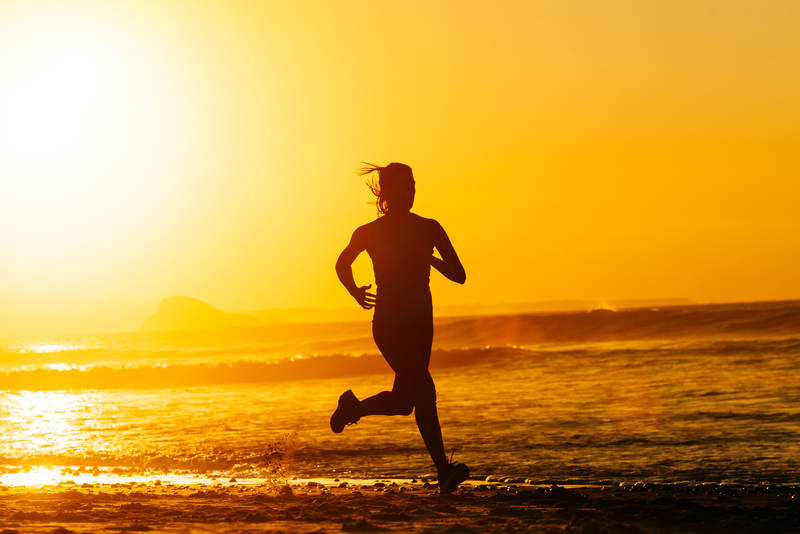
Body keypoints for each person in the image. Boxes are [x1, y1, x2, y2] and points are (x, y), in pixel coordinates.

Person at [332, 162, 470, 494]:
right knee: (425, 390)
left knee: (403, 402)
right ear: (385, 192)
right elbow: (342, 262)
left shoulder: (429, 228)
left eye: (412, 185)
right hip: (389, 323)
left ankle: (353, 407)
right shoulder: (369, 232)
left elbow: (459, 274)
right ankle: (444, 472)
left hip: (423, 324)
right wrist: (354, 290)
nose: (409, 192)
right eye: (401, 186)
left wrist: (428, 257)